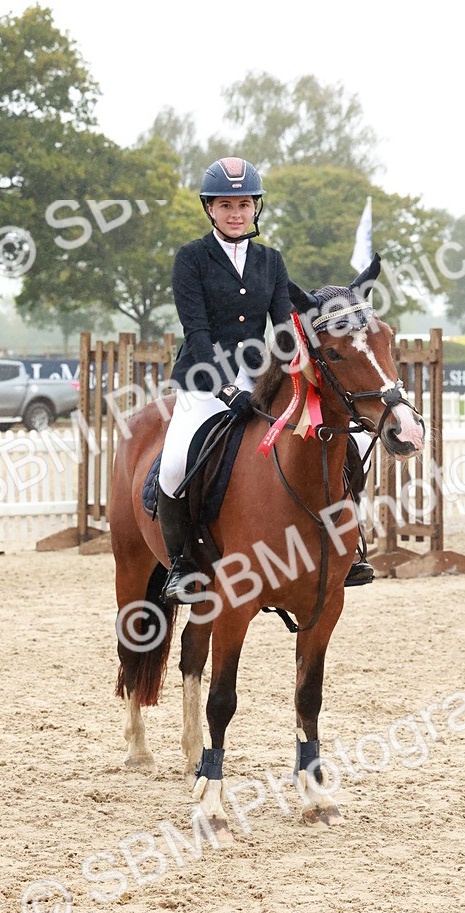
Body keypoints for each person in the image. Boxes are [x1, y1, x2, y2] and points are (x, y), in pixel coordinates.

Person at [157, 155, 374, 603]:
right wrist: (225, 388)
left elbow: (285, 325)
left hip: (260, 377)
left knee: (340, 443)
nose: (235, 214)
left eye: (243, 204)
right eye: (225, 205)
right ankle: (182, 564)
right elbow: (196, 333)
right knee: (178, 461)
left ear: (256, 208)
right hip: (204, 382)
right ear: (210, 210)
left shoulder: (270, 261)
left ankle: (350, 548)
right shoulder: (191, 259)